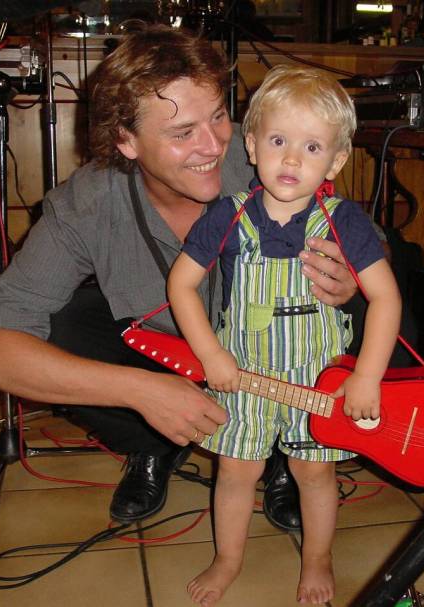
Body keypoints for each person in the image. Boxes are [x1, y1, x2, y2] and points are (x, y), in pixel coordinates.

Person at [0, 25, 359, 529]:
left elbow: (372, 244)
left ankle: (288, 454)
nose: (213, 146)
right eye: (182, 133)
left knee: (383, 315)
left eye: (218, 116)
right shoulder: (87, 202)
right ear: (126, 140)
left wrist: (348, 278)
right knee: (68, 326)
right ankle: (150, 445)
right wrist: (140, 391)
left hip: (280, 351)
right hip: (172, 360)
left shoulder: (270, 152)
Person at [167, 66, 402, 606]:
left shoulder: (346, 222)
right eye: (278, 141)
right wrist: (210, 354)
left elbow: (386, 299)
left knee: (314, 473)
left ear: (336, 161)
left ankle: (317, 557)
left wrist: (367, 376)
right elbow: (180, 285)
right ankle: (228, 559)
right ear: (251, 145)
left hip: (318, 383)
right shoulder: (226, 216)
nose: (292, 159)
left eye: (312, 146)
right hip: (242, 378)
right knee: (235, 472)